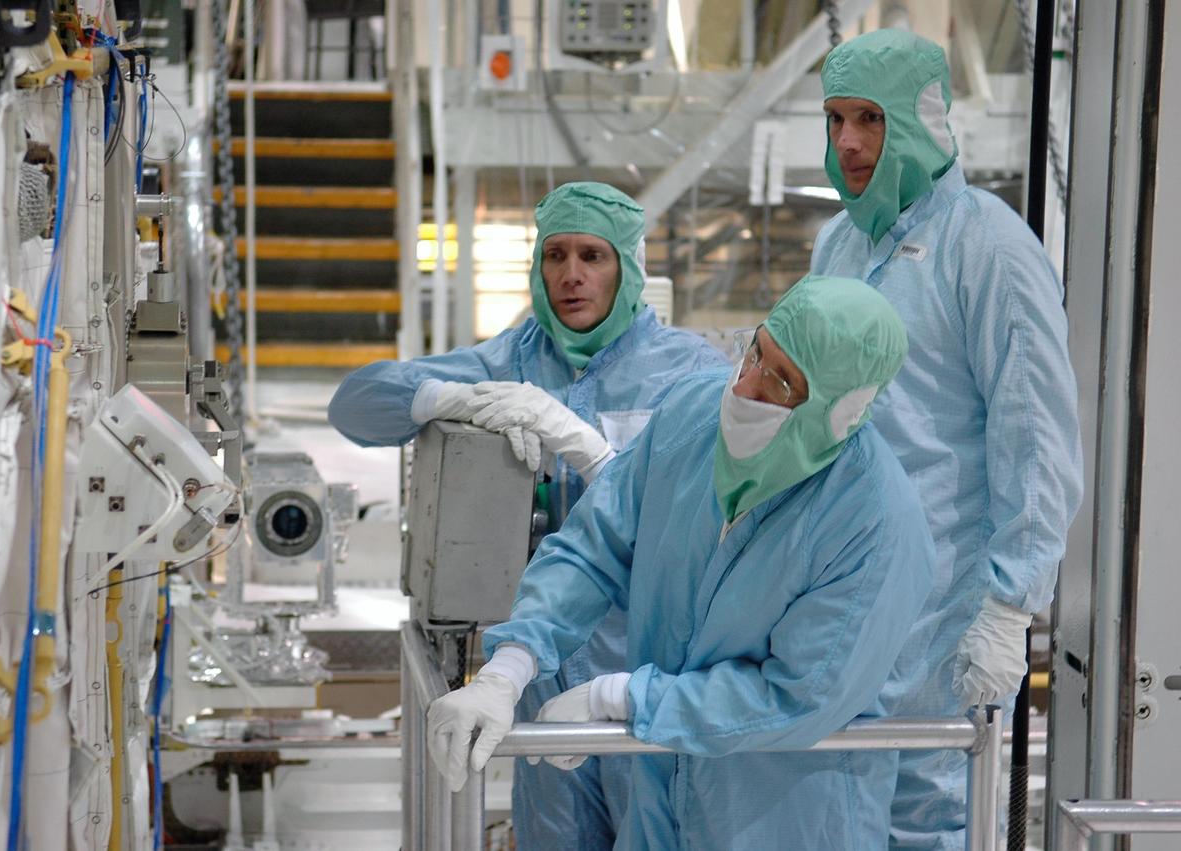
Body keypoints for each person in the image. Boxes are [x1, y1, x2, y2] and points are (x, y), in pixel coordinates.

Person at [426, 275, 937, 849]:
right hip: (661, 798)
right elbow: (595, 544)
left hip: (784, 816)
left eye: (782, 382)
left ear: (841, 412)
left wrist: (620, 698)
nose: (746, 387)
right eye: (756, 352)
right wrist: (507, 670)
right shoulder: (694, 413)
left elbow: (798, 696)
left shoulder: (873, 521)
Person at [329, 182, 728, 849]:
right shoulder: (511, 362)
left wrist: (594, 453)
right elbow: (354, 404)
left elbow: (709, 523)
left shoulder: (690, 373)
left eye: (593, 256)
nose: (571, 275)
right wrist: (449, 397)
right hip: (536, 667)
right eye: (556, 255)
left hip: (648, 665)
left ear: (627, 269)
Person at [809, 29, 1083, 849]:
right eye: (834, 120)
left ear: (921, 121)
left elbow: (1035, 438)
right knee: (837, 809)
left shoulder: (989, 245)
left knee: (935, 817)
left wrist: (1008, 602)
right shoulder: (840, 244)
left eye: (869, 119)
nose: (848, 142)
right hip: (840, 600)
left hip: (942, 613)